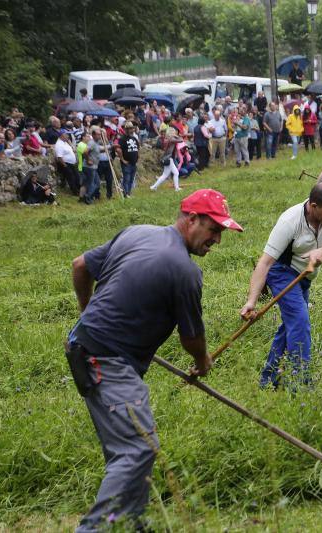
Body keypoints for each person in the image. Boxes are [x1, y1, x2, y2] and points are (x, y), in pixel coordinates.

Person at [68, 189, 241, 531]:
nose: (217, 240)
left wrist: (86, 312)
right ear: (191, 219)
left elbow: (80, 265)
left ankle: (129, 522)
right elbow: (192, 338)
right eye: (213, 230)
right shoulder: (184, 271)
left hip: (85, 347)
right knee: (137, 448)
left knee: (128, 449)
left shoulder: (137, 233)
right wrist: (203, 361)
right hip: (107, 360)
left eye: (221, 232)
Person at [240, 183, 322, 389]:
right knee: (299, 321)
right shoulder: (289, 221)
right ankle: (300, 382)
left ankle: (268, 379)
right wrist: (251, 301)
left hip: (305, 276)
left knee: (290, 325)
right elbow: (265, 263)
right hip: (282, 272)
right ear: (313, 206)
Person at [150, 128, 183, 192]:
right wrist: (176, 136)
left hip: (167, 158)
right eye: (174, 132)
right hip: (168, 158)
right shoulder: (171, 139)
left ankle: (154, 186)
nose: (175, 133)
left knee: (170, 174)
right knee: (171, 174)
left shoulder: (167, 139)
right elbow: (181, 140)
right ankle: (176, 188)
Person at [115, 122, 140, 197]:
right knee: (127, 179)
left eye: (131, 128)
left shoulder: (134, 138)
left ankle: (128, 193)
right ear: (125, 130)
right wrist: (122, 159)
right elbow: (118, 149)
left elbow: (138, 148)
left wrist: (138, 157)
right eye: (129, 129)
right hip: (127, 163)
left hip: (134, 163)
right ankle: (125, 194)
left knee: (131, 179)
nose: (131, 130)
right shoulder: (122, 139)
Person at [81, 129, 102, 205]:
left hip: (93, 167)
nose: (99, 136)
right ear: (93, 135)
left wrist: (111, 146)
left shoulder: (96, 143)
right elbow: (85, 152)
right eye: (98, 134)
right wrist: (88, 160)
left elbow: (100, 149)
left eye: (100, 134)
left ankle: (87, 196)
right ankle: (87, 197)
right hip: (89, 167)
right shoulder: (92, 143)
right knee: (93, 183)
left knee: (96, 183)